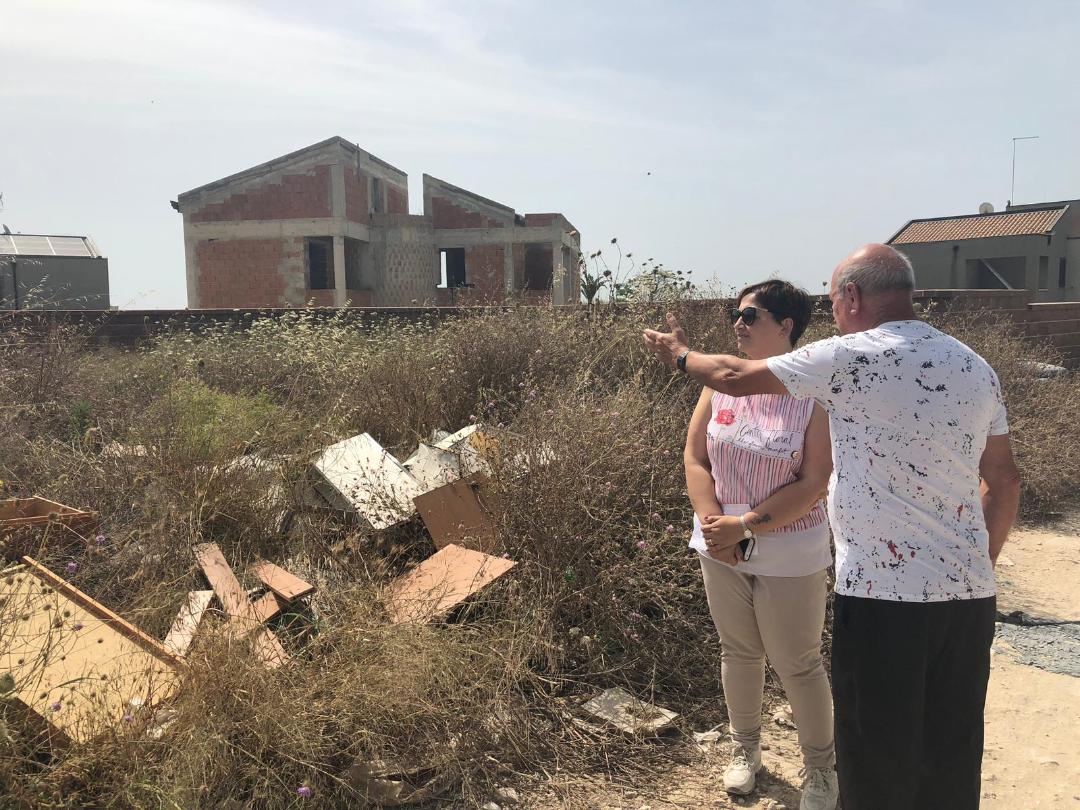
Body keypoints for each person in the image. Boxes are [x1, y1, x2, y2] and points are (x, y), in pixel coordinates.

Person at [645, 245, 1021, 810]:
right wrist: (977, 566)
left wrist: (678, 354)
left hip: (881, 594)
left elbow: (730, 375)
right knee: (952, 743)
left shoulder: (849, 356)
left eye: (834, 298)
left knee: (874, 753)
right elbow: (1005, 480)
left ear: (851, 296)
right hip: (966, 598)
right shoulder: (973, 365)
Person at [684, 280, 838, 810]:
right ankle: (745, 751)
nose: (737, 323)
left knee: (797, 662)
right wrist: (712, 522)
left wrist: (745, 525)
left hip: (788, 545)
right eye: (736, 313)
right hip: (719, 543)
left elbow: (815, 480)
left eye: (749, 315)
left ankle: (821, 769)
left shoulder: (813, 393)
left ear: (785, 326)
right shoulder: (720, 383)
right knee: (740, 653)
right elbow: (696, 457)